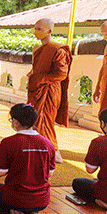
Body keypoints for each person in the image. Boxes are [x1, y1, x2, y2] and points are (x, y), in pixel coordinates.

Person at [0, 103, 54, 214]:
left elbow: (0, 172)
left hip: (15, 199)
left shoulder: (8, 142)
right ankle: (35, 212)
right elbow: (49, 173)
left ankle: (14, 211)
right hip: (42, 201)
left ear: (16, 122)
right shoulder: (47, 143)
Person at [27, 18, 72, 163]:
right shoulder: (36, 49)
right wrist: (32, 73)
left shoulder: (58, 49)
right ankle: (37, 149)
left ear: (50, 31)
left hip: (49, 91)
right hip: (36, 89)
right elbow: (36, 67)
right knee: (33, 119)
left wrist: (40, 78)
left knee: (45, 121)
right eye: (35, 28)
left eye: (39, 29)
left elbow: (61, 74)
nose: (36, 32)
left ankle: (54, 151)